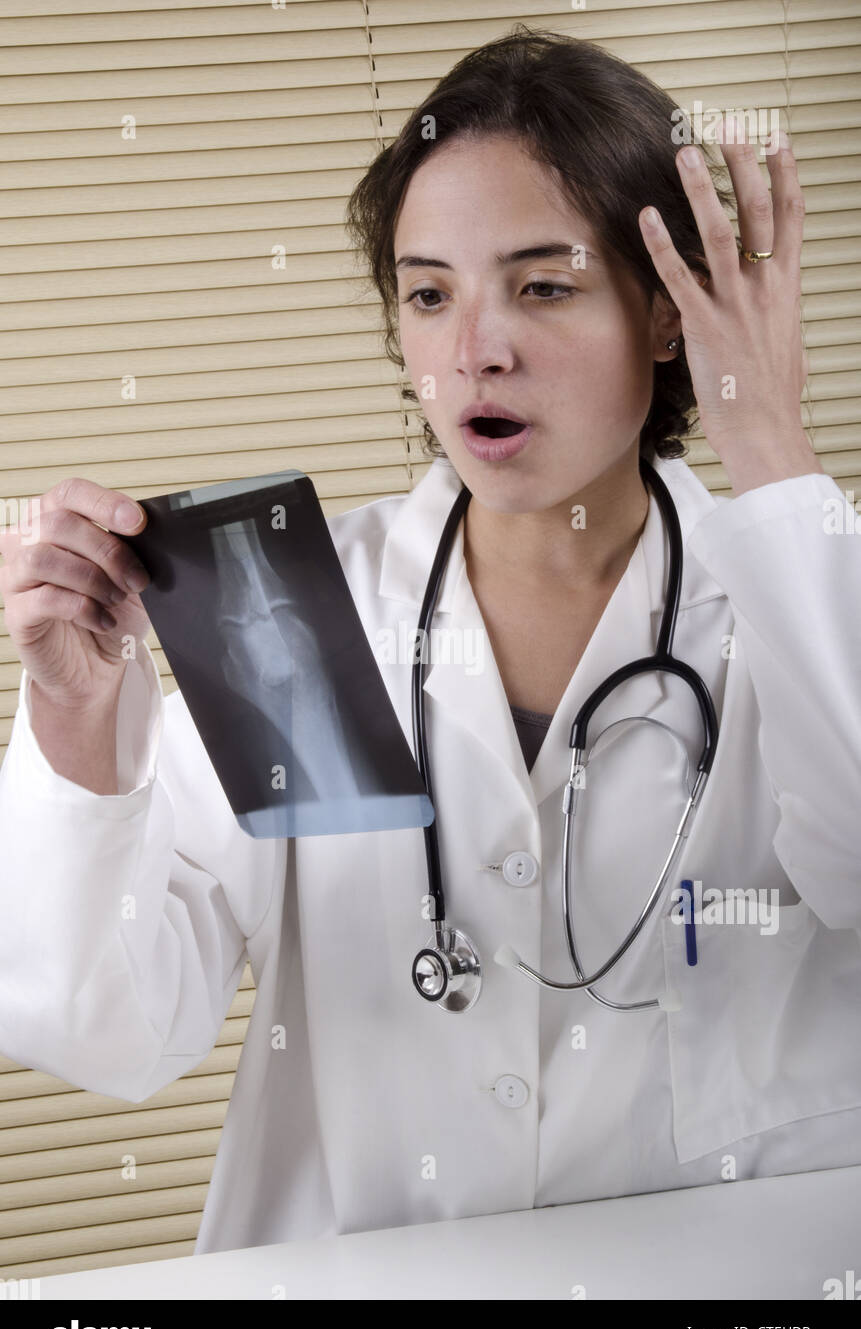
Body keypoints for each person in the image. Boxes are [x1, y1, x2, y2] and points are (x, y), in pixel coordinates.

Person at [1, 27, 860, 1259]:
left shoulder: (805, 596)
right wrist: (78, 720)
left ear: (671, 315)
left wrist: (772, 441)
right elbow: (110, 1029)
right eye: (428, 292)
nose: (477, 350)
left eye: (543, 284)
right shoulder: (296, 606)